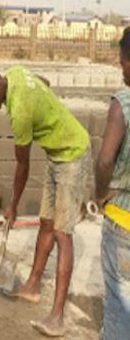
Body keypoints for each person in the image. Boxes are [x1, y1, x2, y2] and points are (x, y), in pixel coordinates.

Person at [0, 64, 91, 338]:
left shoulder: (20, 113)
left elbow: (22, 166)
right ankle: (33, 286)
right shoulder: (15, 73)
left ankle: (57, 318)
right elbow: (43, 81)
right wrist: (46, 110)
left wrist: (12, 206)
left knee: (63, 233)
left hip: (73, 155)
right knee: (46, 222)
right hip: (56, 153)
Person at [95, 26, 130, 340]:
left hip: (123, 221)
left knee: (120, 304)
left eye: (121, 60)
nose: (120, 66)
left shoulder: (123, 103)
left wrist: (100, 193)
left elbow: (105, 160)